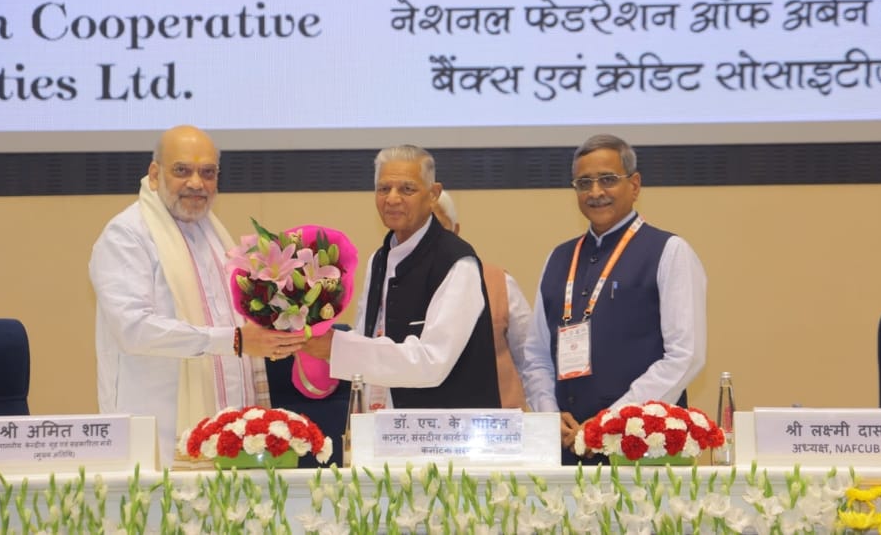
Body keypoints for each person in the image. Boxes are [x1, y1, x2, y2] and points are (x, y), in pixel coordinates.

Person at [89, 125, 307, 466]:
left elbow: (233, 320)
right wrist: (234, 341)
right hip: (158, 436)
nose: (196, 183)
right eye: (182, 170)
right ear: (155, 174)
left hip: (226, 431)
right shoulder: (127, 235)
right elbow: (133, 330)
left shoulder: (213, 234)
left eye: (207, 173)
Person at [528, 133, 707, 464]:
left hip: (641, 448)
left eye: (608, 180)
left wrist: (612, 422)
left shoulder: (670, 252)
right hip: (565, 447)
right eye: (584, 183)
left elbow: (685, 356)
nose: (595, 192)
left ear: (634, 185)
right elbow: (536, 355)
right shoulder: (558, 258)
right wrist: (548, 415)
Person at [302, 144, 500, 409]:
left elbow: (433, 362)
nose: (392, 199)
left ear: (433, 194)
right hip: (385, 422)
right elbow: (367, 336)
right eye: (384, 189)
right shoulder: (379, 258)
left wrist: (336, 348)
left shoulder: (457, 262)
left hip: (445, 427)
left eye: (407, 189)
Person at [431, 189, 556, 411]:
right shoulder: (389, 287)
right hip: (421, 425)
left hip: (498, 424)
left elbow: (531, 360)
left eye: (437, 227)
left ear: (456, 231)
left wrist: (545, 417)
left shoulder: (499, 283)